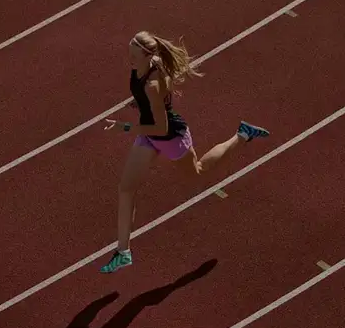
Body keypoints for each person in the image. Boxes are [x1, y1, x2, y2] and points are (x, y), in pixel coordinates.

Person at [100, 31, 269, 273]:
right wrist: (141, 103)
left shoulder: (152, 85)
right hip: (149, 136)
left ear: (147, 57)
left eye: (134, 56)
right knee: (126, 188)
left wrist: (126, 126)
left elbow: (161, 127)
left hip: (171, 138)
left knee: (198, 171)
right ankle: (123, 252)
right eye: (129, 54)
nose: (130, 60)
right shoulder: (145, 69)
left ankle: (241, 135)